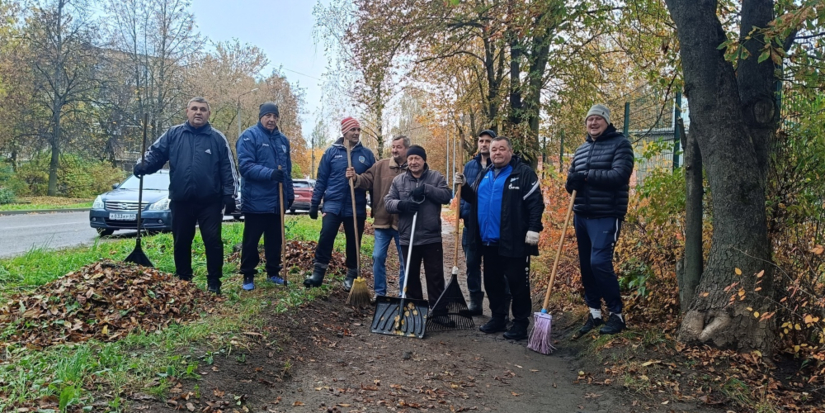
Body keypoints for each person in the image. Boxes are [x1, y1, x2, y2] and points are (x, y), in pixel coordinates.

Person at [134, 97, 239, 295]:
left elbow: (228, 168)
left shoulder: (217, 138)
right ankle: (184, 280)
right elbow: (155, 153)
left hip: (210, 202)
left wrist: (230, 195)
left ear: (209, 114)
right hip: (181, 200)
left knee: (212, 240)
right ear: (187, 111)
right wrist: (144, 165)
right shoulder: (173, 134)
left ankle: (214, 281)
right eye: (194, 109)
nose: (198, 112)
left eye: (203, 109)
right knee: (181, 240)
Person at [457, 136, 544, 340]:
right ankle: (498, 317)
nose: (496, 152)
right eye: (494, 149)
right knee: (492, 282)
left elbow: (535, 204)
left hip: (513, 240)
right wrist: (464, 186)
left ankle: (520, 323)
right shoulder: (485, 174)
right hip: (488, 241)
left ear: (510, 152)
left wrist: (533, 229)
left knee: (517, 284)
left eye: (501, 149)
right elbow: (475, 199)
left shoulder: (522, 174)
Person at [566, 104, 634, 336]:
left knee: (599, 263)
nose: (593, 123)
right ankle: (594, 312)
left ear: (606, 121)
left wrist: (585, 176)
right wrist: (571, 181)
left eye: (597, 119)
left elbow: (619, 175)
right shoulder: (581, 149)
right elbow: (572, 181)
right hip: (582, 215)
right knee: (586, 265)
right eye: (589, 120)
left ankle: (617, 315)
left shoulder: (621, 144)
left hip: (606, 215)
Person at [304, 117, 376, 290]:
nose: (357, 133)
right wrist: (315, 204)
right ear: (344, 132)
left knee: (354, 241)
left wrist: (374, 205)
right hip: (333, 204)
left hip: (356, 206)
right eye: (353, 130)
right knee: (326, 236)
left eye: (359, 130)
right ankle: (318, 273)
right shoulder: (331, 153)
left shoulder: (366, 155)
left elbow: (373, 181)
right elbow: (321, 179)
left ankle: (352, 274)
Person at [385, 145, 452, 314]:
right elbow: (388, 202)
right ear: (407, 161)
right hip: (408, 236)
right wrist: (403, 205)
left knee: (435, 276)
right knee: (411, 276)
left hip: (431, 237)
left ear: (424, 160)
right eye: (410, 159)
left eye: (417, 158)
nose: (413, 162)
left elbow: (446, 196)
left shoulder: (436, 177)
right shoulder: (399, 181)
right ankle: (416, 311)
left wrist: (427, 189)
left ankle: (438, 312)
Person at [236, 102, 295, 291]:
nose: (272, 119)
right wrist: (269, 173)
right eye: (268, 115)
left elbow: (287, 170)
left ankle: (273, 272)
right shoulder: (249, 136)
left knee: (275, 239)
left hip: (277, 201)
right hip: (256, 200)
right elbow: (245, 166)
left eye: (275, 116)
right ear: (261, 117)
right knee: (251, 240)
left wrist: (290, 193)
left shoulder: (282, 141)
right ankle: (248, 274)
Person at [346, 135, 409, 299]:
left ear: (407, 149)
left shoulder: (413, 167)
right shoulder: (381, 165)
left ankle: (404, 293)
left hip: (403, 223)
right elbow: (367, 179)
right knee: (377, 256)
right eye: (393, 146)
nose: (394, 150)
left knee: (404, 261)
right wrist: (355, 178)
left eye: (399, 147)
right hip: (382, 220)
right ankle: (380, 293)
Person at [460, 129, 496, 315]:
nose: (484, 144)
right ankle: (475, 301)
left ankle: (499, 305)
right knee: (471, 264)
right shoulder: (469, 166)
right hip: (471, 224)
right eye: (481, 141)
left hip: (490, 225)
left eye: (488, 141)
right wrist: (461, 211)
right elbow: (465, 194)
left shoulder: (498, 166)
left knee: (494, 267)